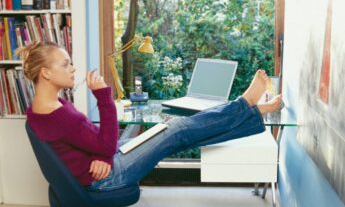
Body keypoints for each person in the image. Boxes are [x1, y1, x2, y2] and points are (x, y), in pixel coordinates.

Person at [19, 41, 282, 191]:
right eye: (65, 64)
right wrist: (103, 96)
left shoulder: (41, 111)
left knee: (180, 134)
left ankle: (252, 111)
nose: (73, 68)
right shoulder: (60, 115)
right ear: (46, 73)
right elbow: (102, 142)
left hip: (105, 163)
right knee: (177, 129)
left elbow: (92, 142)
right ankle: (246, 105)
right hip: (107, 177)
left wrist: (100, 154)